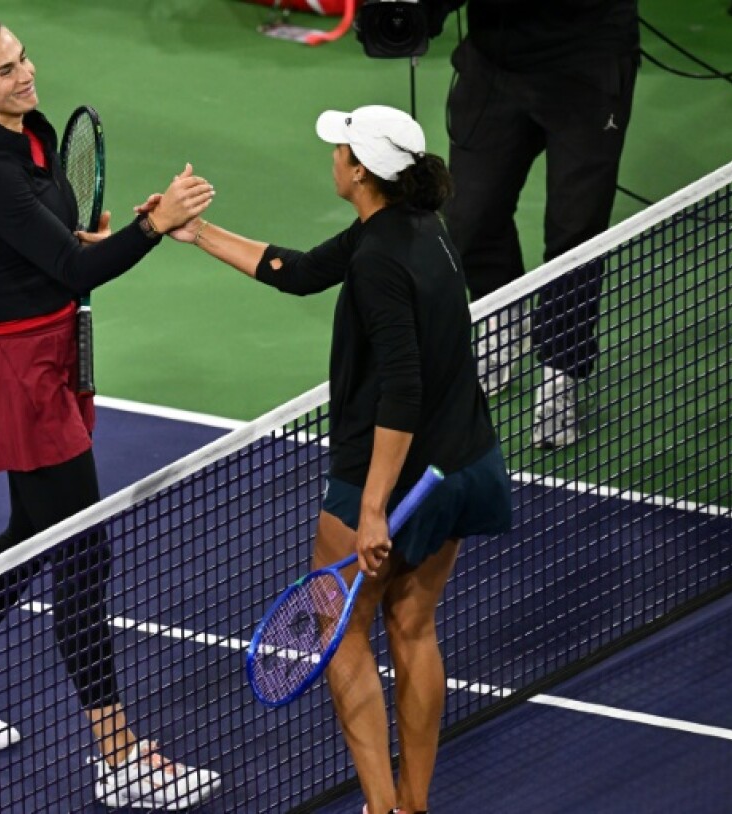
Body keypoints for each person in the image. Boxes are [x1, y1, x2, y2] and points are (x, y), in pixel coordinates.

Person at [148, 105, 513, 814]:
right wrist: (196, 232)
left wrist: (372, 507)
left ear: (362, 170)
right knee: (415, 627)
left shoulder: (378, 261)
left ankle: (381, 808)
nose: (335, 157)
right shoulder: (416, 225)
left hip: (391, 475)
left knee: (340, 636)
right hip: (462, 465)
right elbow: (303, 272)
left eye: (342, 148)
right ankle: (413, 806)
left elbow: (401, 390)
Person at [0, 17, 221, 811]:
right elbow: (76, 267)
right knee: (84, 554)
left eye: (22, 59)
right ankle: (119, 756)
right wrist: (152, 226)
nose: (24, 75)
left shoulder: (36, 134)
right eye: (3, 71)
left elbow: (64, 247)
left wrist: (94, 240)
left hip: (55, 352)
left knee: (31, 530)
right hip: (20, 373)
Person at [442, 0, 640, 448]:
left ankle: (559, 375)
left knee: (575, 235)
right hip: (494, 64)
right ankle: (502, 320)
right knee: (468, 216)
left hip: (588, 66)